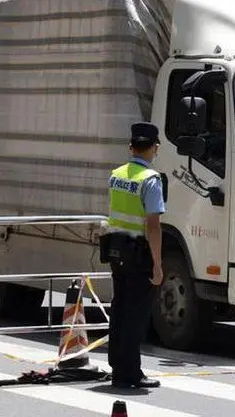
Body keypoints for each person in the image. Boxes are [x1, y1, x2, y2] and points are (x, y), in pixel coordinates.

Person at [101, 122, 165, 389]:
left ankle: (117, 367)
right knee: (136, 316)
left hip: (117, 251)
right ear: (155, 148)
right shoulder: (150, 180)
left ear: (130, 147)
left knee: (120, 309)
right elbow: (153, 225)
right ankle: (130, 372)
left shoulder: (116, 175)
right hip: (139, 255)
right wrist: (158, 265)